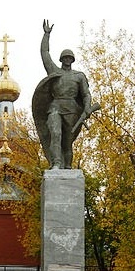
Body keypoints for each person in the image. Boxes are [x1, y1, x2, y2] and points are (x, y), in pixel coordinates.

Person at [32, 19, 94, 169]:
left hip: (72, 110)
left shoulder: (79, 76)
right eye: (65, 58)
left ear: (72, 60)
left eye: (69, 58)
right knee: (55, 134)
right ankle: (56, 164)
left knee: (67, 142)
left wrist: (87, 107)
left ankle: (67, 167)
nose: (67, 60)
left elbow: (86, 94)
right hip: (55, 108)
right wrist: (46, 35)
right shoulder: (54, 71)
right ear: (61, 59)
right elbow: (44, 53)